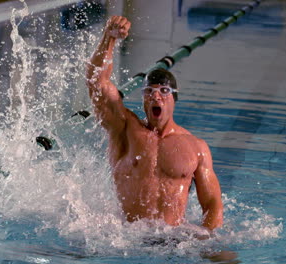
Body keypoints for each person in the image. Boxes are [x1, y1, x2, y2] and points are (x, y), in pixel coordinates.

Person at [86, 16, 223, 231]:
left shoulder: (197, 148)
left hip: (174, 239)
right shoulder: (124, 129)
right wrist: (109, 38)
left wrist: (204, 239)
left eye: (164, 91)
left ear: (174, 98)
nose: (155, 97)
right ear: (143, 99)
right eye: (149, 92)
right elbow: (97, 82)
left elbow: (213, 204)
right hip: (128, 238)